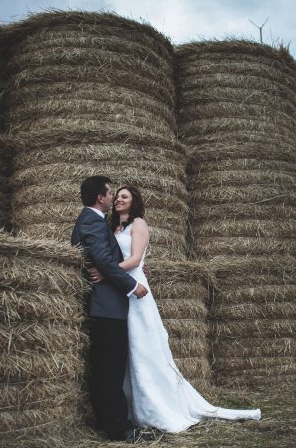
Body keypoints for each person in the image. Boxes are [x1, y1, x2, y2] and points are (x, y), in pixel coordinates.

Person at [88, 184, 261, 433]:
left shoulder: (139, 224)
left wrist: (106, 272)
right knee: (123, 352)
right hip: (119, 290)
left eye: (124, 196)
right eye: (116, 196)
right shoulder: (111, 227)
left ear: (134, 201)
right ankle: (125, 409)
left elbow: (136, 260)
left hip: (134, 289)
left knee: (143, 347)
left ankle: (156, 406)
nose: (118, 199)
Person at [71, 176, 150, 442]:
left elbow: (111, 259)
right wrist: (132, 285)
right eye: (110, 193)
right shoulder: (93, 221)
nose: (113, 197)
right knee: (110, 368)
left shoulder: (98, 221)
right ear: (100, 198)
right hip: (107, 306)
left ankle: (110, 421)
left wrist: (135, 267)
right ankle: (120, 428)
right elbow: (103, 260)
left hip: (106, 305)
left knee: (107, 367)